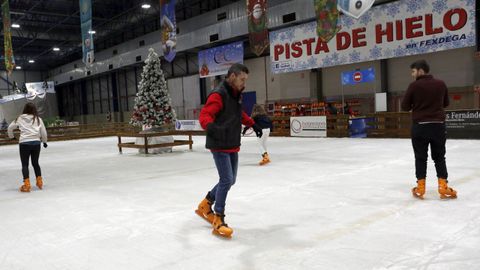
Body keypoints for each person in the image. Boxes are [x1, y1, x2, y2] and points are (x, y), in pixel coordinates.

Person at [196, 63, 263, 238]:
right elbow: (205, 115)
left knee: (231, 180)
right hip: (219, 143)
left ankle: (206, 203)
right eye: (242, 79)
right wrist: (211, 127)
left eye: (245, 80)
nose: (244, 83)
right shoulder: (219, 94)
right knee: (226, 179)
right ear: (232, 76)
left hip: (232, 142)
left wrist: (252, 124)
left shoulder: (235, 95)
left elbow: (238, 114)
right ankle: (218, 218)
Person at [401, 60, 456, 199]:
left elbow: (405, 106)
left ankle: (420, 187)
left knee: (420, 157)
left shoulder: (414, 86)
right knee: (439, 157)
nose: (412, 75)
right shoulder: (441, 84)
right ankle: (443, 186)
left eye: (413, 72)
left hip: (420, 126)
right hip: (438, 126)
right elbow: (446, 103)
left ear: (420, 71)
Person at [7, 102, 48, 192]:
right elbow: (43, 132)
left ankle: (27, 184)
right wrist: (44, 142)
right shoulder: (38, 119)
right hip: (36, 143)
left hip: (24, 143)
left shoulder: (20, 118)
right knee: (35, 163)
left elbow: (10, 128)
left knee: (25, 164)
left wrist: (12, 137)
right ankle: (39, 182)